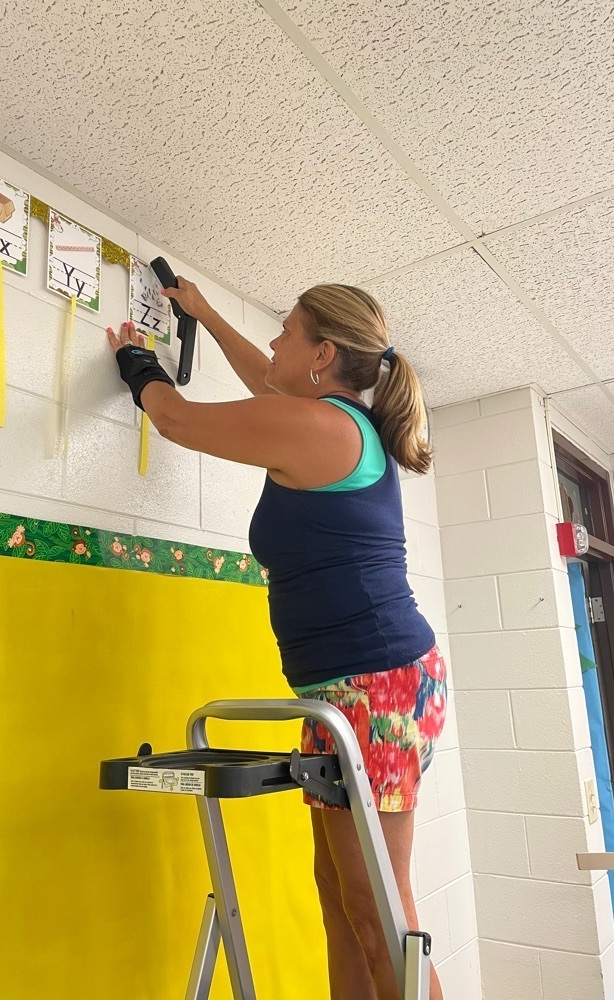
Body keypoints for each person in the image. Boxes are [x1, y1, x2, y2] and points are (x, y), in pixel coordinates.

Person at [106, 279, 446, 1000]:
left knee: (379, 911)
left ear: (322, 355)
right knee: (342, 906)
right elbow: (265, 379)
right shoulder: (329, 421)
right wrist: (201, 314)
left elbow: (176, 421)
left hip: (375, 688)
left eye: (285, 331)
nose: (272, 343)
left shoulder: (323, 428)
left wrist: (139, 367)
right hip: (350, 687)